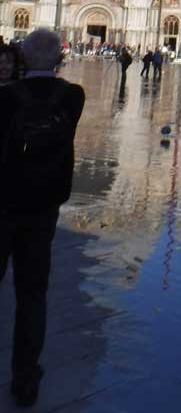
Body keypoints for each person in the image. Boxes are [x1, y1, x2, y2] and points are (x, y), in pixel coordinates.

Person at [0, 29, 85, 408]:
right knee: (33, 296)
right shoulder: (72, 97)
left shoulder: (4, 98)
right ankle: (26, 379)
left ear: (21, 58)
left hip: (3, 205)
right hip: (42, 211)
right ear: (59, 60)